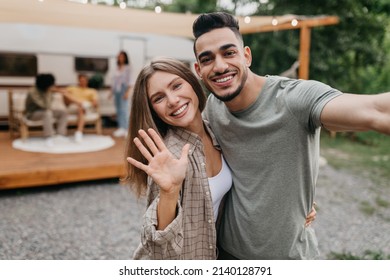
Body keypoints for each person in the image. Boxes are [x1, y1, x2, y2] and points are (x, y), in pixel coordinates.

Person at [192, 12, 390, 260]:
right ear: (199, 70)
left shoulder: (294, 99)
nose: (219, 66)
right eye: (208, 59)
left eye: (229, 53)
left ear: (246, 56)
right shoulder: (212, 107)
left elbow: (375, 111)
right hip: (227, 254)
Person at [123, 57, 316, 260]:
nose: (172, 100)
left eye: (177, 86)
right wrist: (169, 193)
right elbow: (161, 251)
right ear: (153, 109)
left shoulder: (215, 128)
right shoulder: (168, 157)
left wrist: (295, 201)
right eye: (159, 98)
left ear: (192, 81)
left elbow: (256, 170)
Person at [25, 73, 68, 147]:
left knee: (63, 112)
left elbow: (48, 105)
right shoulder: (33, 91)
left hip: (45, 111)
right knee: (47, 113)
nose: (52, 86)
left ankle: (60, 135)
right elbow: (45, 106)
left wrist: (49, 92)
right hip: (32, 114)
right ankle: (49, 137)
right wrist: (49, 92)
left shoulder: (46, 90)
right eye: (51, 85)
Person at [64, 74, 99, 142]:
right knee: (66, 94)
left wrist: (86, 104)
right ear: (78, 81)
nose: (82, 82)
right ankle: (78, 102)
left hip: (85, 107)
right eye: (80, 80)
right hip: (72, 107)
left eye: (84, 80)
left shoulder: (92, 91)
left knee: (81, 108)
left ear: (87, 81)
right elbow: (62, 92)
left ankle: (79, 133)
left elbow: (95, 103)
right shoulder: (72, 88)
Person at [109, 50, 133, 138]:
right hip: (116, 91)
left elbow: (130, 81)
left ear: (125, 58)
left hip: (124, 89)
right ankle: (121, 128)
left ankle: (127, 129)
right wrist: (111, 93)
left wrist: (127, 92)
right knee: (118, 110)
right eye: (119, 56)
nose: (120, 58)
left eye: (122, 56)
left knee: (124, 110)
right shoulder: (116, 68)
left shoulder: (128, 68)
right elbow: (114, 81)